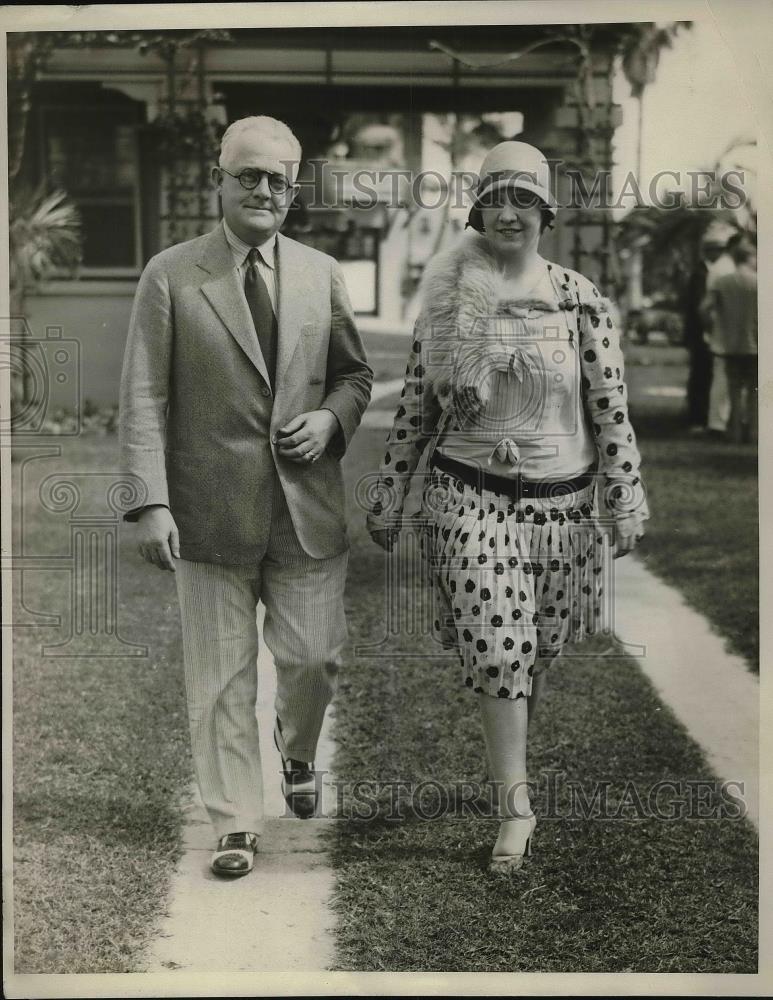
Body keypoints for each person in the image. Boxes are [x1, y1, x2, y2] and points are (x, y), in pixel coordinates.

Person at [366, 141, 648, 873]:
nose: (511, 214)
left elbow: (609, 407)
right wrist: (390, 490)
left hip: (563, 509)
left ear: (544, 214)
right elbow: (416, 414)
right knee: (498, 649)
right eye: (499, 199)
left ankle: (508, 769)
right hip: (468, 497)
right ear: (479, 210)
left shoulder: (579, 298)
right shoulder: (448, 304)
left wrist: (624, 492)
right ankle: (514, 809)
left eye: (526, 201)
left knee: (535, 653)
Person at [119, 116, 372, 877]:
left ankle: (296, 753)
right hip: (207, 509)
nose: (264, 190)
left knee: (313, 659)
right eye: (249, 176)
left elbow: (353, 376)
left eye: (279, 179)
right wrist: (148, 501)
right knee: (222, 676)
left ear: (293, 190)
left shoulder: (322, 272)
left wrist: (330, 419)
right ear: (219, 181)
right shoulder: (170, 273)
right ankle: (234, 821)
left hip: (306, 512)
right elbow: (141, 394)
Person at [704, 233, 757, 444]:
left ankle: (733, 432)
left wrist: (714, 328)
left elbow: (704, 308)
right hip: (756, 344)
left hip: (730, 344)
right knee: (755, 393)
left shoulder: (724, 281)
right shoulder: (760, 282)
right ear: (750, 258)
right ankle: (753, 433)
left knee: (733, 391)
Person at [683, 223, 734, 433]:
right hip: (700, 333)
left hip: (712, 331)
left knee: (710, 376)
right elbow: (696, 306)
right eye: (714, 249)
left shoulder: (717, 270)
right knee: (700, 374)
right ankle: (697, 416)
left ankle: (704, 416)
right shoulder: (701, 272)